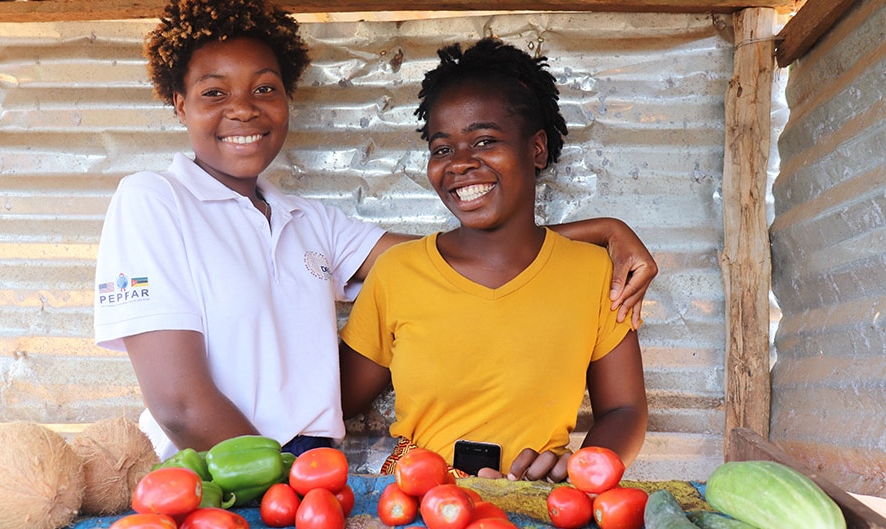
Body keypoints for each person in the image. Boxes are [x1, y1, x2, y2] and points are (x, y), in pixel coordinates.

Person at [94, 0, 656, 461]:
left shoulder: (309, 222)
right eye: (214, 92)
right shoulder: (153, 201)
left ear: (287, 99)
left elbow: (462, 257)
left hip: (313, 469)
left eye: (265, 88)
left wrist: (603, 231)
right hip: (210, 467)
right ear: (178, 103)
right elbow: (179, 404)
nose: (243, 110)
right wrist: (285, 486)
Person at [339, 38, 648, 483]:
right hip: (421, 499)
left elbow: (624, 408)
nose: (461, 163)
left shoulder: (596, 274)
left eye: (485, 140)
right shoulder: (398, 273)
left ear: (537, 149)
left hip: (537, 497)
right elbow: (338, 400)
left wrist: (581, 470)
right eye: (442, 148)